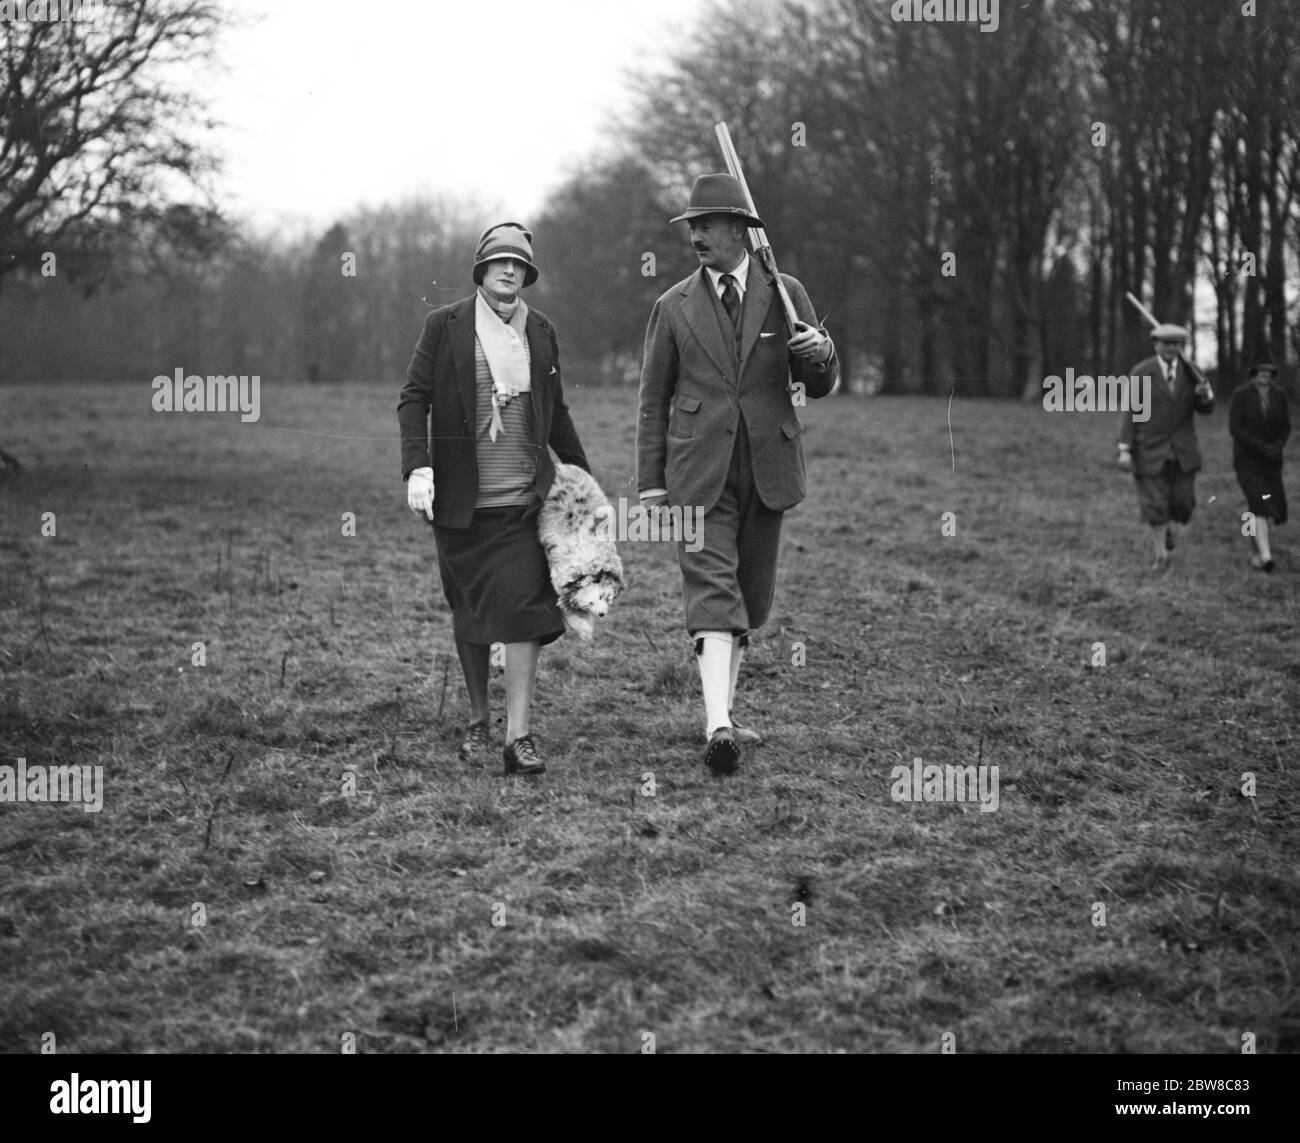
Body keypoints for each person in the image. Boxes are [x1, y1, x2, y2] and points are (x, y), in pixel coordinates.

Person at [637, 174, 837, 776]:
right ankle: (717, 725)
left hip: (768, 465)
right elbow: (654, 399)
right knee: (712, 595)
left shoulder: (785, 290)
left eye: (706, 224)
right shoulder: (671, 306)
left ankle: (726, 708)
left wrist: (819, 355)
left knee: (750, 598)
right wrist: (650, 483)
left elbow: (821, 383)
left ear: (742, 230)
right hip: (698, 472)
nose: (695, 234)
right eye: (691, 226)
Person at [397, 222, 590, 776]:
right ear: (480, 270)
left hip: (524, 501)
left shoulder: (542, 331)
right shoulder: (446, 326)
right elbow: (414, 398)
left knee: (525, 612)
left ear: (527, 275)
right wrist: (418, 466)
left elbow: (558, 411)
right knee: (473, 612)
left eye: (520, 265)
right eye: (499, 262)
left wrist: (581, 477)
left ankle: (518, 736)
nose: (510, 271)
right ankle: (479, 717)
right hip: (460, 502)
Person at [1117, 322, 1215, 569]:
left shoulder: (1192, 372)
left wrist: (1205, 395)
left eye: (1176, 343)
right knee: (1154, 504)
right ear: (1156, 344)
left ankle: (1168, 526)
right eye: (1166, 343)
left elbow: (1206, 410)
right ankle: (1161, 554)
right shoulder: (1142, 371)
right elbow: (1131, 412)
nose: (1171, 348)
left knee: (1183, 504)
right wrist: (1125, 449)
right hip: (1149, 449)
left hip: (1183, 451)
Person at [1229, 355, 1290, 572]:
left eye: (1269, 372)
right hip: (1247, 460)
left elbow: (1286, 427)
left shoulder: (1279, 396)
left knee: (1263, 507)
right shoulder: (1241, 395)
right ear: (1253, 373)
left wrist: (1276, 447)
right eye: (1261, 371)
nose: (1265, 375)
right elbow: (1235, 428)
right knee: (1258, 503)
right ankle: (1266, 556)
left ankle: (1255, 553)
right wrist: (1260, 447)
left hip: (1272, 462)